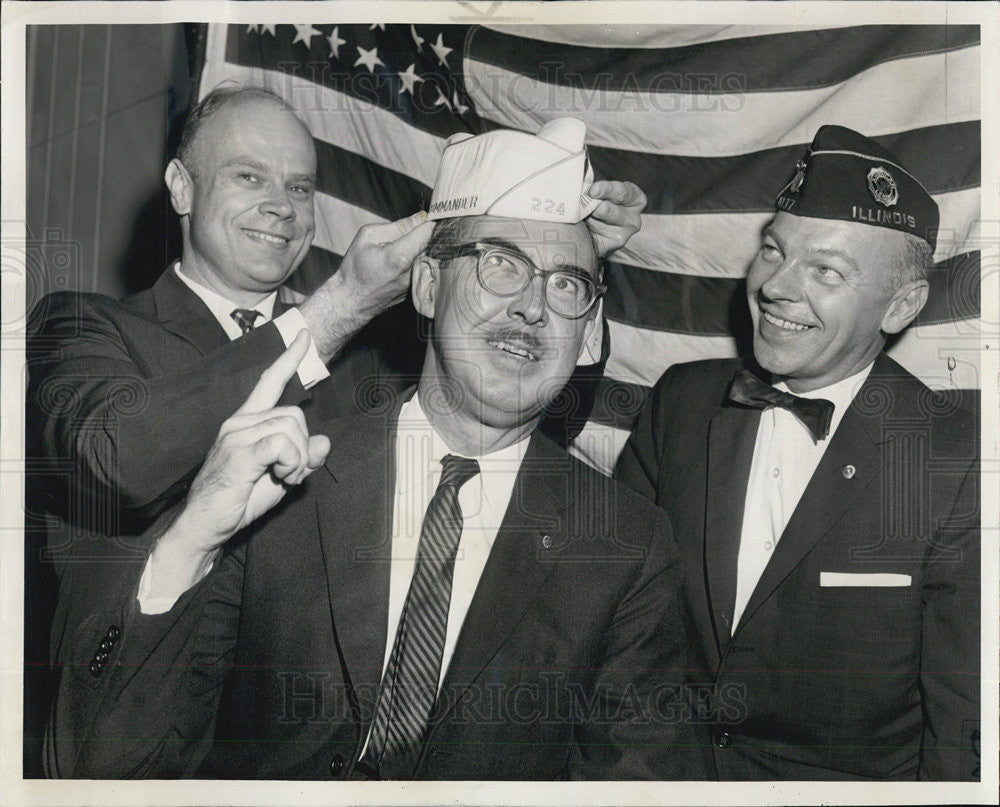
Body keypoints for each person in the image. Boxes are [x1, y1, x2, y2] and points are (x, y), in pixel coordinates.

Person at [43, 118, 711, 780]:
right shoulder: (286, 476)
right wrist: (191, 540)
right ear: (424, 286)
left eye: (564, 286)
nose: (533, 305)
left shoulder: (628, 545)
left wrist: (570, 279)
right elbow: (116, 766)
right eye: (501, 265)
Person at [26, 84, 646, 533]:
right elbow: (116, 461)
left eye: (299, 186)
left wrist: (576, 261)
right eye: (249, 177)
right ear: (182, 186)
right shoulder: (83, 325)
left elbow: (522, 425)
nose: (281, 205)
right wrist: (342, 305)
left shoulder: (369, 361)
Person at [615, 125, 980, 780]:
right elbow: (617, 635)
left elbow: (963, 728)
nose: (776, 287)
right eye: (774, 251)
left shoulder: (958, 459)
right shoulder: (681, 403)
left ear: (901, 306)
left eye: (826, 271)